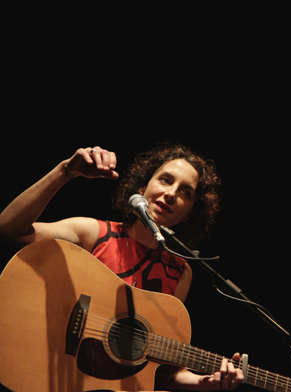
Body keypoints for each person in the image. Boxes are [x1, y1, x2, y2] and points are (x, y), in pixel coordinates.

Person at [0, 142, 245, 391]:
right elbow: (11, 230)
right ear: (142, 187)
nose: (171, 194)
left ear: (190, 213)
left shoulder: (179, 272)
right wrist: (65, 172)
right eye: (165, 180)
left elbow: (159, 372)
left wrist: (208, 382)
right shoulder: (94, 234)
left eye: (186, 192)